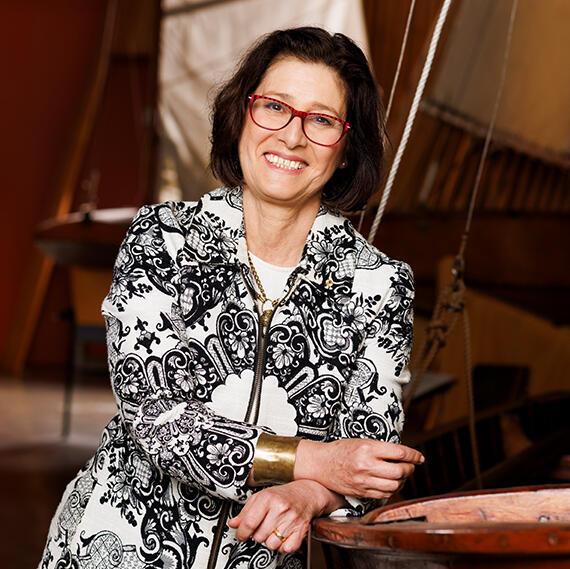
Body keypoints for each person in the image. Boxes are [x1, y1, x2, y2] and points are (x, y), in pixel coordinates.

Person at [40, 26, 423, 569]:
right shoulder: (162, 240)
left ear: (345, 149)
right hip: (114, 547)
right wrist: (317, 461)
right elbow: (157, 420)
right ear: (242, 117)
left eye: (321, 120)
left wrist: (311, 495)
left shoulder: (380, 284)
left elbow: (366, 458)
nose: (292, 137)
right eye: (274, 106)